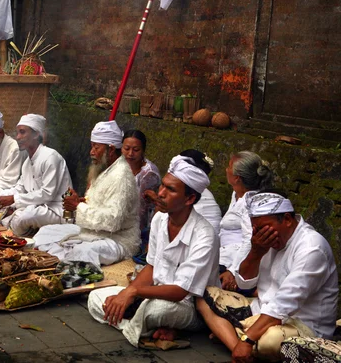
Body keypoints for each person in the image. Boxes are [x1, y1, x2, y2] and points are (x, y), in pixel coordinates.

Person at [88, 152, 220, 346]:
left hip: (189, 307)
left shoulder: (205, 235)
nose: (161, 193)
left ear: (189, 199)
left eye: (170, 190)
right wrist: (126, 293)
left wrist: (133, 293)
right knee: (95, 297)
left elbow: (180, 292)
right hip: (153, 293)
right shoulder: (159, 219)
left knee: (156, 310)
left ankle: (140, 325)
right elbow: (151, 267)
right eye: (162, 185)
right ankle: (141, 328)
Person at [196, 191, 338, 363]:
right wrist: (256, 252)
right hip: (261, 309)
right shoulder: (264, 241)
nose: (259, 235)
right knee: (204, 297)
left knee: (269, 341)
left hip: (301, 325)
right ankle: (241, 348)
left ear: (286, 219)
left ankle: (238, 338)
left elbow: (283, 305)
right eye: (255, 229)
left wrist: (248, 338)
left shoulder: (311, 248)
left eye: (264, 228)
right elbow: (245, 283)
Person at [33, 121, 140, 267]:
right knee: (45, 232)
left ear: (111, 149)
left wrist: (78, 207)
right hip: (93, 232)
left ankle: (60, 263)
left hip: (118, 239)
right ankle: (58, 259)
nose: (92, 152)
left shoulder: (121, 175)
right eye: (92, 147)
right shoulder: (105, 169)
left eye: (96, 147)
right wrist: (82, 201)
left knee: (83, 252)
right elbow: (100, 203)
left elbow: (112, 221)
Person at [0, 114, 71, 236]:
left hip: (57, 210)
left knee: (23, 217)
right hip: (37, 206)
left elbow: (48, 194)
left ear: (36, 134)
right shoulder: (27, 162)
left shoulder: (50, 157)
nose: (17, 137)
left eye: (22, 132)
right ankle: (12, 233)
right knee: (1, 208)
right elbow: (20, 188)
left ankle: (13, 237)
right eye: (17, 133)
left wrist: (13, 200)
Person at [218, 151, 273, 292]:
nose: (226, 169)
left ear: (237, 178)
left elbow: (249, 240)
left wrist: (232, 271)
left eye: (229, 167)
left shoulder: (250, 204)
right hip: (223, 256)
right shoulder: (236, 195)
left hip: (234, 263)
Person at [121, 129, 160, 264]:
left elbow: (142, 209)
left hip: (140, 225)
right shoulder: (120, 165)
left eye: (136, 150)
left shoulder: (148, 174)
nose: (130, 154)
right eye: (126, 149)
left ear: (143, 150)